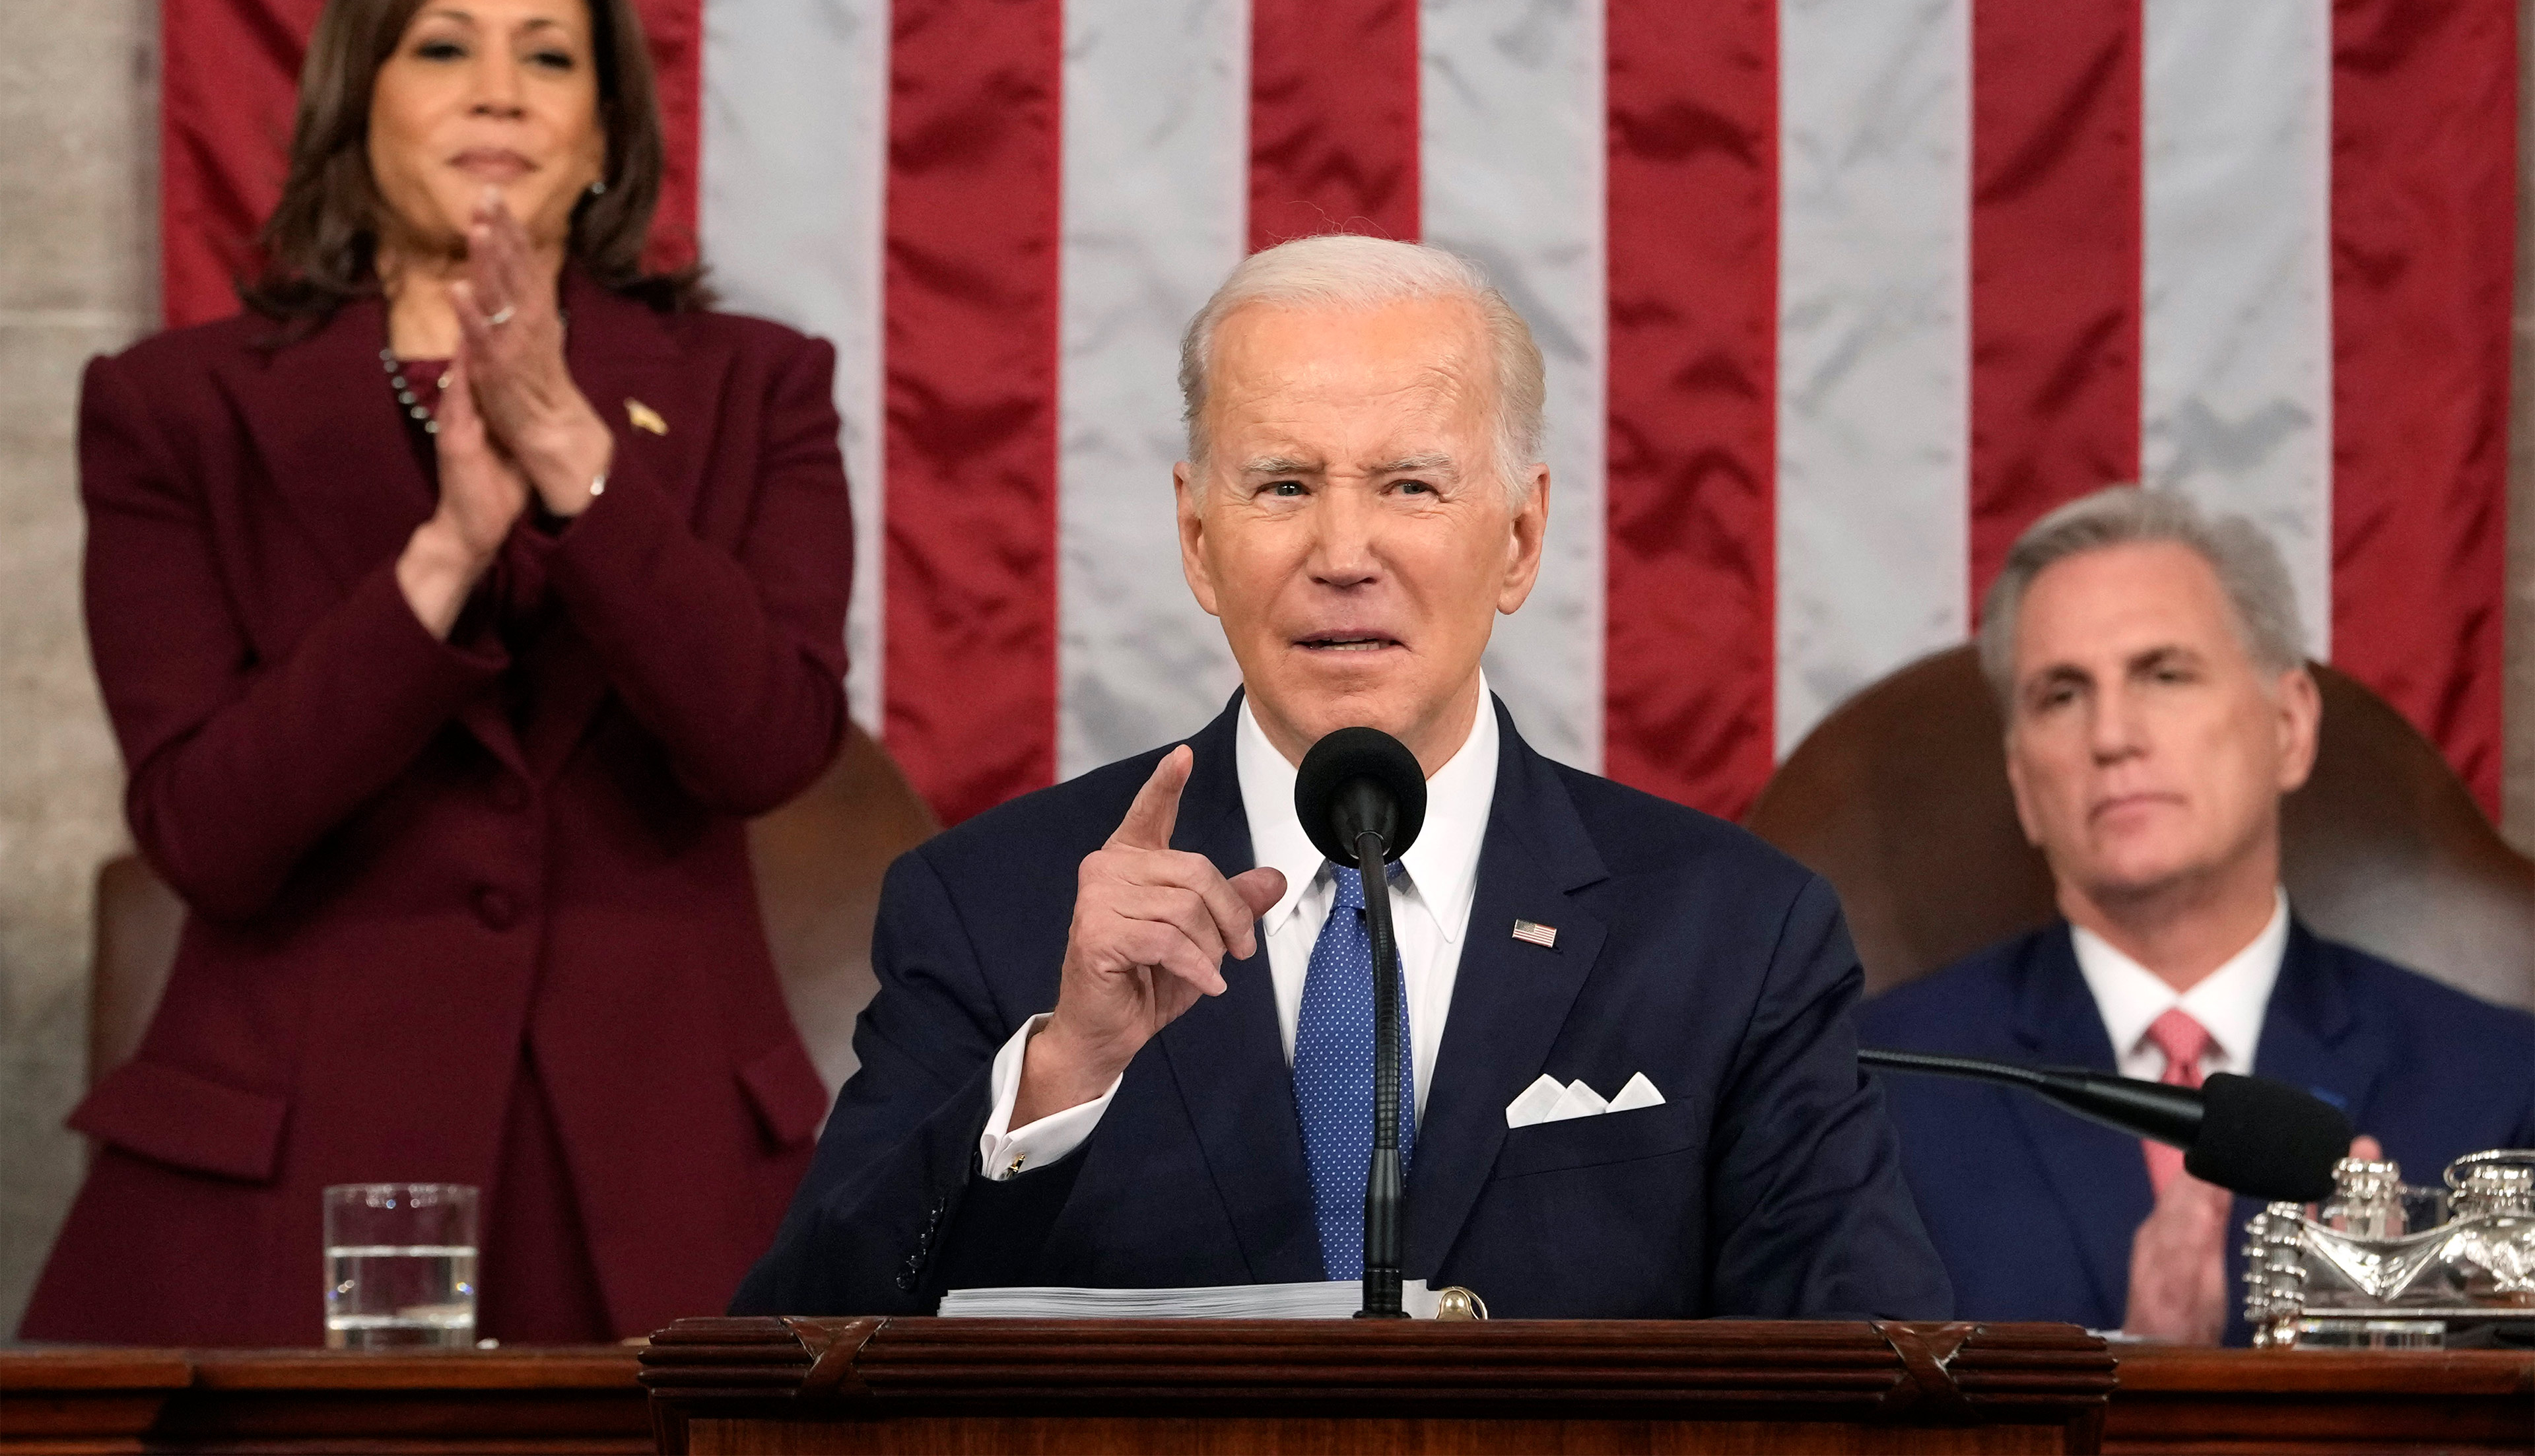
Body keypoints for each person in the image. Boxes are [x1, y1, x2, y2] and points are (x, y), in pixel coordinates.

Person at [734, 236, 1949, 1319]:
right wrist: (1057, 1075)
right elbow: (799, 1358)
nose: (1344, 554)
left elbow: (1872, 1373)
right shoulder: (993, 907)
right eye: (1283, 487)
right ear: (1201, 542)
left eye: (1411, 486)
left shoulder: (1733, 933)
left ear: (1519, 540)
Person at [22, 0, 853, 1345]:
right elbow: (207, 829)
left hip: (664, 1173)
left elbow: (767, 741)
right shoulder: (174, 409)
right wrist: (446, 553)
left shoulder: (755, 386)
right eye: (442, 47)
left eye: (548, 58)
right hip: (291, 1176)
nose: (496, 90)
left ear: (603, 135)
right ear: (358, 106)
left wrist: (575, 461)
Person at [1860, 486, 2535, 1344]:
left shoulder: (2498, 1084)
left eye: (2165, 674)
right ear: (2023, 785)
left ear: (2289, 726)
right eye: (2061, 695)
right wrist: (2138, 1380)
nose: (2112, 735)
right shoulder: (1878, 1092)